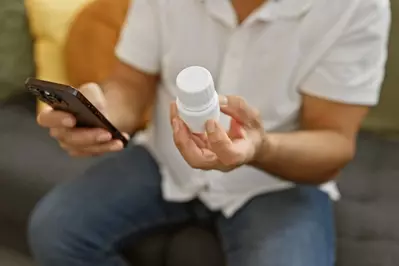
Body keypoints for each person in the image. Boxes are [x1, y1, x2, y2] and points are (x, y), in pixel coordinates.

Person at [28, 0, 391, 265]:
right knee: (55, 231)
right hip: (165, 158)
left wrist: (260, 148)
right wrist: (104, 112)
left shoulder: (354, 8)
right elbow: (130, 84)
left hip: (275, 181)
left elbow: (334, 143)